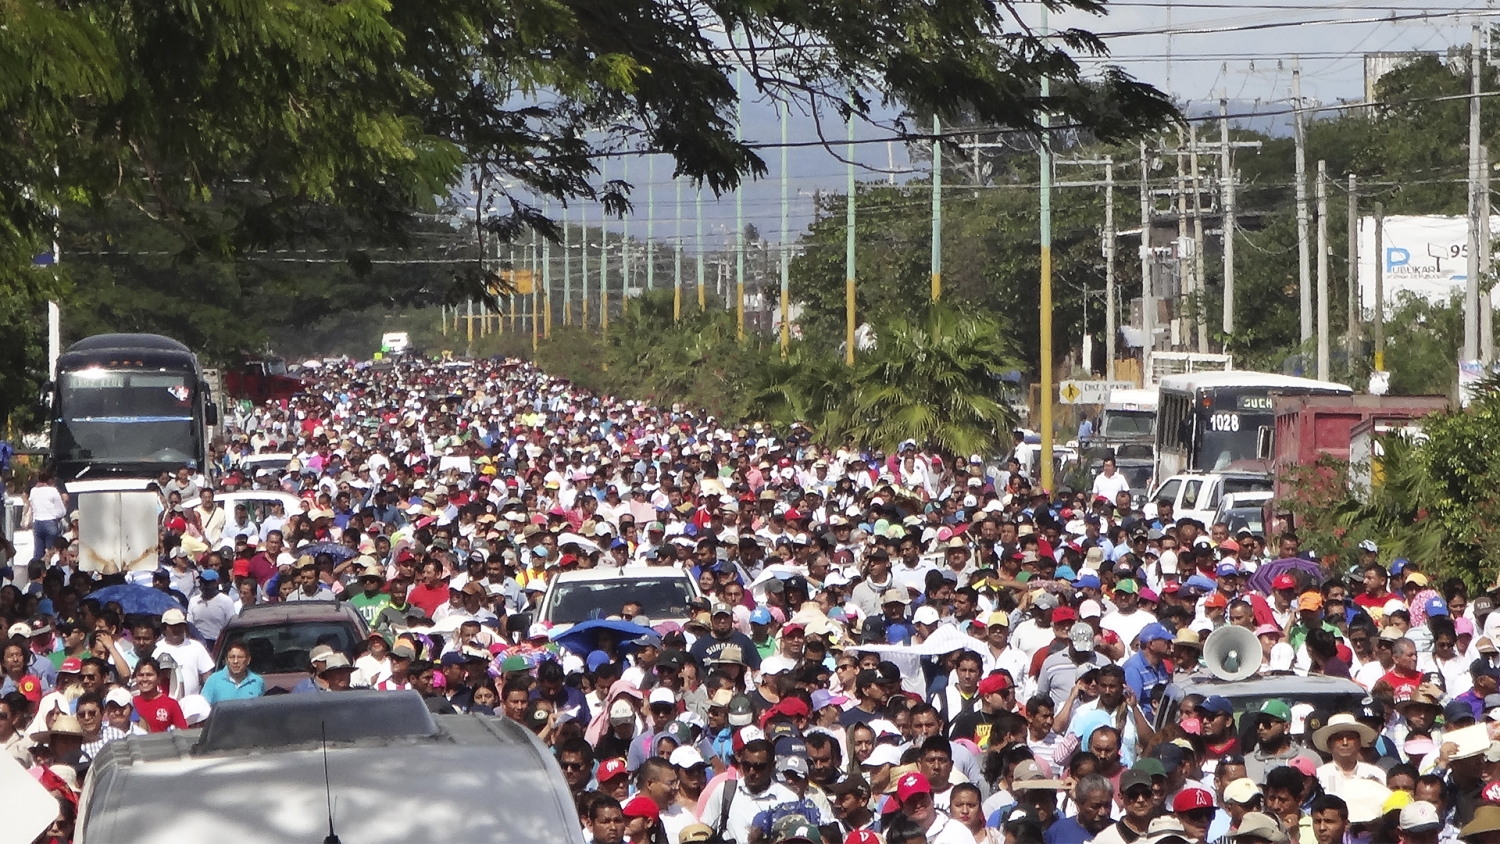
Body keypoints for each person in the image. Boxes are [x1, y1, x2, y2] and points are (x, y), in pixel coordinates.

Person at [131, 657, 187, 732]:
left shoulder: (171, 704)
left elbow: (183, 733)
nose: (144, 679)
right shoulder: (131, 703)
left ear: (159, 678)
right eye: (141, 675)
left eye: (149, 675)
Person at [201, 641, 265, 704]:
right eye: (232, 657)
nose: (235, 661)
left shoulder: (257, 682)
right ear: (226, 660)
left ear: (248, 660)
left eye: (240, 657)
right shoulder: (213, 680)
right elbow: (203, 708)